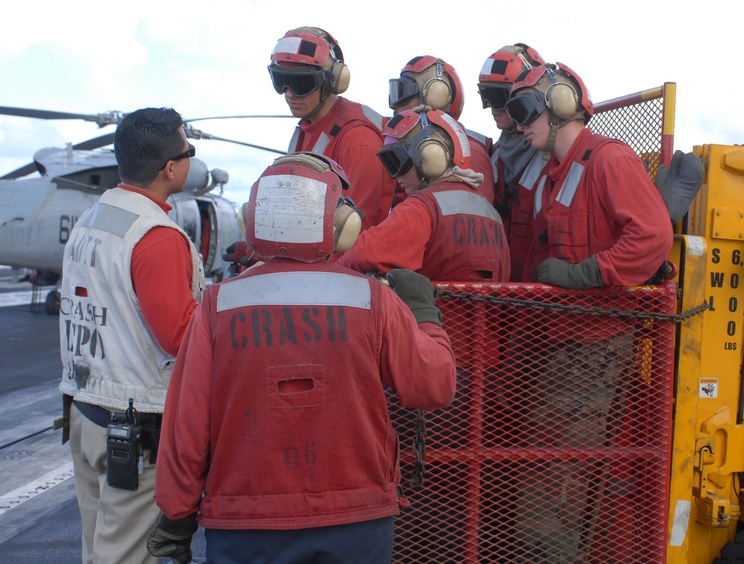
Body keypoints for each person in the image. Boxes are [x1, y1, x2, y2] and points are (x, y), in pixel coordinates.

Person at [149, 153, 456, 564]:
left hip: (245, 524)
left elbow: (186, 423)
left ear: (253, 220)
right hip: (356, 522)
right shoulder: (373, 299)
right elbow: (434, 386)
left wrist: (177, 512)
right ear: (343, 223)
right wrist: (424, 314)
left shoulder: (219, 305)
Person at [507, 62, 672, 561]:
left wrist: (587, 275)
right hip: (559, 344)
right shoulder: (554, 173)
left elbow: (652, 237)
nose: (518, 123)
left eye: (525, 110)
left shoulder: (607, 160)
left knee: (552, 488)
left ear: (560, 105)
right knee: (541, 474)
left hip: (594, 346)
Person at [58, 107, 205, 564]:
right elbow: (180, 337)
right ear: (170, 167)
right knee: (126, 556)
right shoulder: (156, 236)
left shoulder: (92, 219)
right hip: (132, 424)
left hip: (85, 410)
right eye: (188, 151)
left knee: (98, 546)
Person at [337, 108, 510, 282]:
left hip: (434, 309)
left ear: (431, 155)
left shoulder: (421, 207)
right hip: (489, 309)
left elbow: (362, 254)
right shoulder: (490, 212)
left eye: (399, 162)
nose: (397, 176)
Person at [269, 26, 394, 229]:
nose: (289, 93)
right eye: (280, 81)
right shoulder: (308, 127)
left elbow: (354, 233)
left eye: (300, 83)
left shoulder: (357, 140)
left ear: (332, 82)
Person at [479, 43, 548, 281]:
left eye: (498, 97)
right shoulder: (495, 155)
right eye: (485, 96)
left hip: (544, 296)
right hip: (507, 294)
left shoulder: (556, 157)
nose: (491, 109)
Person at [388, 55, 495, 203]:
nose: (394, 105)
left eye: (402, 93)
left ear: (436, 95)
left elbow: (472, 217)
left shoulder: (467, 152)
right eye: (393, 93)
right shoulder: (412, 147)